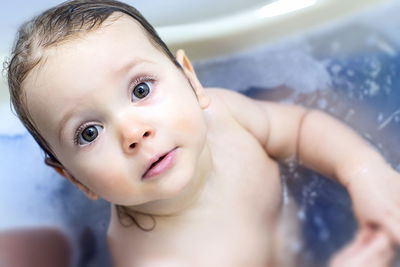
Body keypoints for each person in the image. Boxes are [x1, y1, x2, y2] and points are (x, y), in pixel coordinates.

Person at [5, 0, 399, 266]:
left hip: (301, 226)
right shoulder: (158, 259)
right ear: (74, 178)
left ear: (191, 81)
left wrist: (365, 172)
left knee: (311, 97)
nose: (133, 131)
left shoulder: (223, 117)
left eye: (141, 90)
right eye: (89, 132)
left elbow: (299, 128)